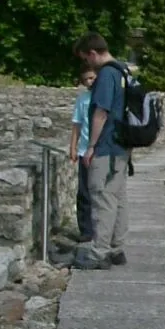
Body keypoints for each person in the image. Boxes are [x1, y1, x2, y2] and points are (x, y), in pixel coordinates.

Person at [72, 32, 129, 270]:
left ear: (93, 53)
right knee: (118, 197)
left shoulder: (106, 75)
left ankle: (99, 252)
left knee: (102, 197)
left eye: (86, 59)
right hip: (122, 145)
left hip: (106, 146)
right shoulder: (124, 70)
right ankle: (117, 247)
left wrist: (91, 147)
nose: (88, 65)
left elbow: (100, 112)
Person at [68, 66, 96, 243]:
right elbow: (77, 125)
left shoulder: (104, 96)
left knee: (100, 192)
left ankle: (101, 228)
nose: (90, 82)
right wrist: (73, 147)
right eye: (87, 79)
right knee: (84, 191)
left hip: (101, 151)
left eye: (93, 78)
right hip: (84, 149)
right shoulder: (82, 99)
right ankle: (86, 229)